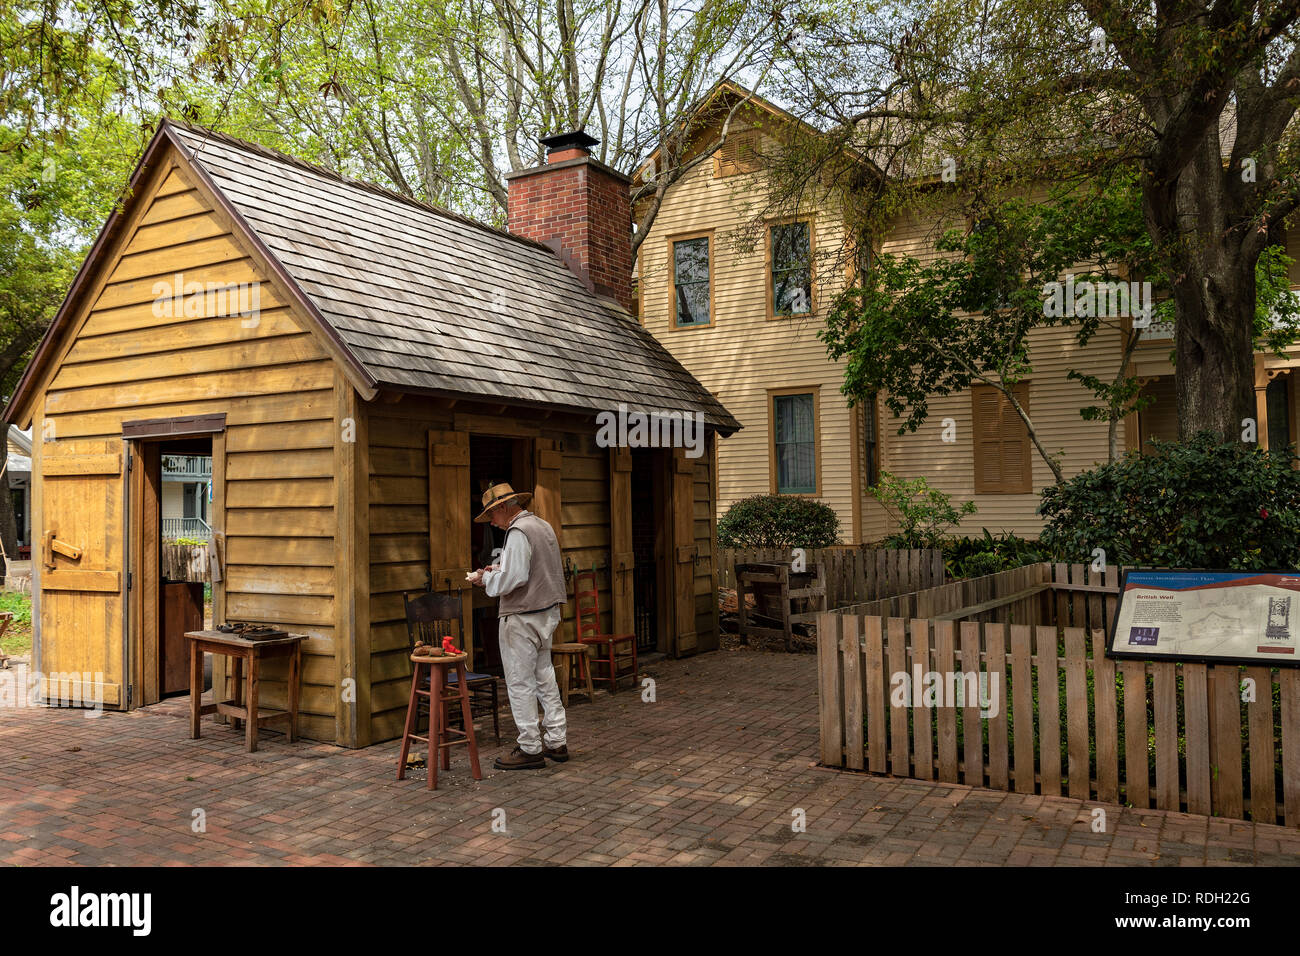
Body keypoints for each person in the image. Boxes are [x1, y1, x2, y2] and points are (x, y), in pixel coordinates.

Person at [467, 482, 568, 770]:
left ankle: (530, 747)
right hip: (545, 612)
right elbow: (531, 568)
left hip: (523, 614)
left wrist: (485, 579)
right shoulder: (542, 526)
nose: (493, 523)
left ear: (502, 508)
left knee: (520, 681)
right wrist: (498, 570)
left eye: (492, 515)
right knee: (544, 677)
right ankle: (556, 741)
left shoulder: (518, 531)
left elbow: (515, 578)